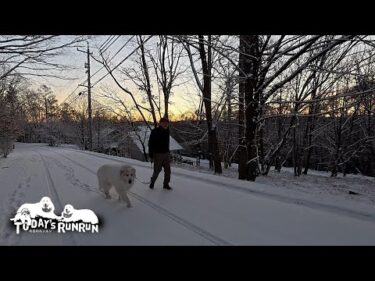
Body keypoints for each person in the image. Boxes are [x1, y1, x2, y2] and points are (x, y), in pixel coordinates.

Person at [148, 117, 172, 190]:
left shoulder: (167, 131)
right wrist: (151, 154)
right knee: (157, 170)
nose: (165, 124)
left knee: (168, 170)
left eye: (167, 123)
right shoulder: (155, 131)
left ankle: (166, 184)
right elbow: (150, 143)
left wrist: (168, 152)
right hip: (158, 154)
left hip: (166, 154)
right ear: (160, 123)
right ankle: (152, 182)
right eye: (164, 123)